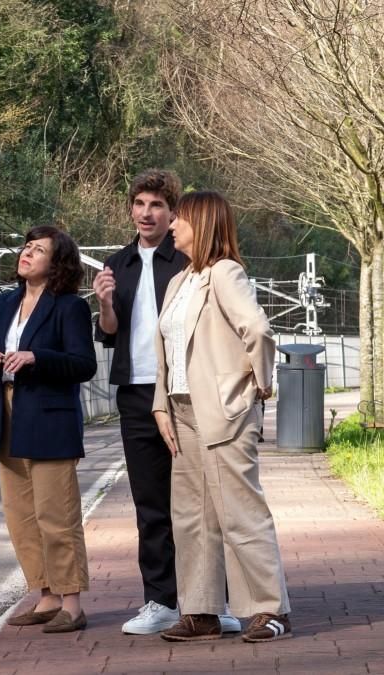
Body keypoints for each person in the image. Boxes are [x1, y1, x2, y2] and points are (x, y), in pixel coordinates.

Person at [93, 170, 240, 635]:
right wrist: (105, 306)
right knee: (151, 504)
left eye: (156, 205)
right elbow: (109, 335)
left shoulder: (191, 261)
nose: (146, 213)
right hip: (137, 396)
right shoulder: (117, 265)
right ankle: (161, 601)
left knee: (205, 502)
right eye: (139, 204)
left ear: (173, 212)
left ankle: (215, 601)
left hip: (188, 392)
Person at [152, 190, 292, 642]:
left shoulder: (225, 273)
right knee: (191, 517)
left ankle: (270, 611)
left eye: (180, 219)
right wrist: (160, 404)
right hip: (182, 410)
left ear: (204, 223)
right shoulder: (178, 282)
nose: (172, 225)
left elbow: (258, 329)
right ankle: (201, 612)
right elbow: (166, 352)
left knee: (240, 513)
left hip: (224, 412)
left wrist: (257, 385)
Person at [0, 225, 97, 634]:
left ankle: (72, 603)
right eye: (25, 246)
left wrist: (35, 357)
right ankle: (44, 595)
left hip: (50, 416)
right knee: (21, 515)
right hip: (8, 412)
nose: (26, 253)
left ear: (57, 263)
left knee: (56, 515)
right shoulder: (4, 302)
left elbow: (84, 365)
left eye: (38, 250)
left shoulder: (69, 307)